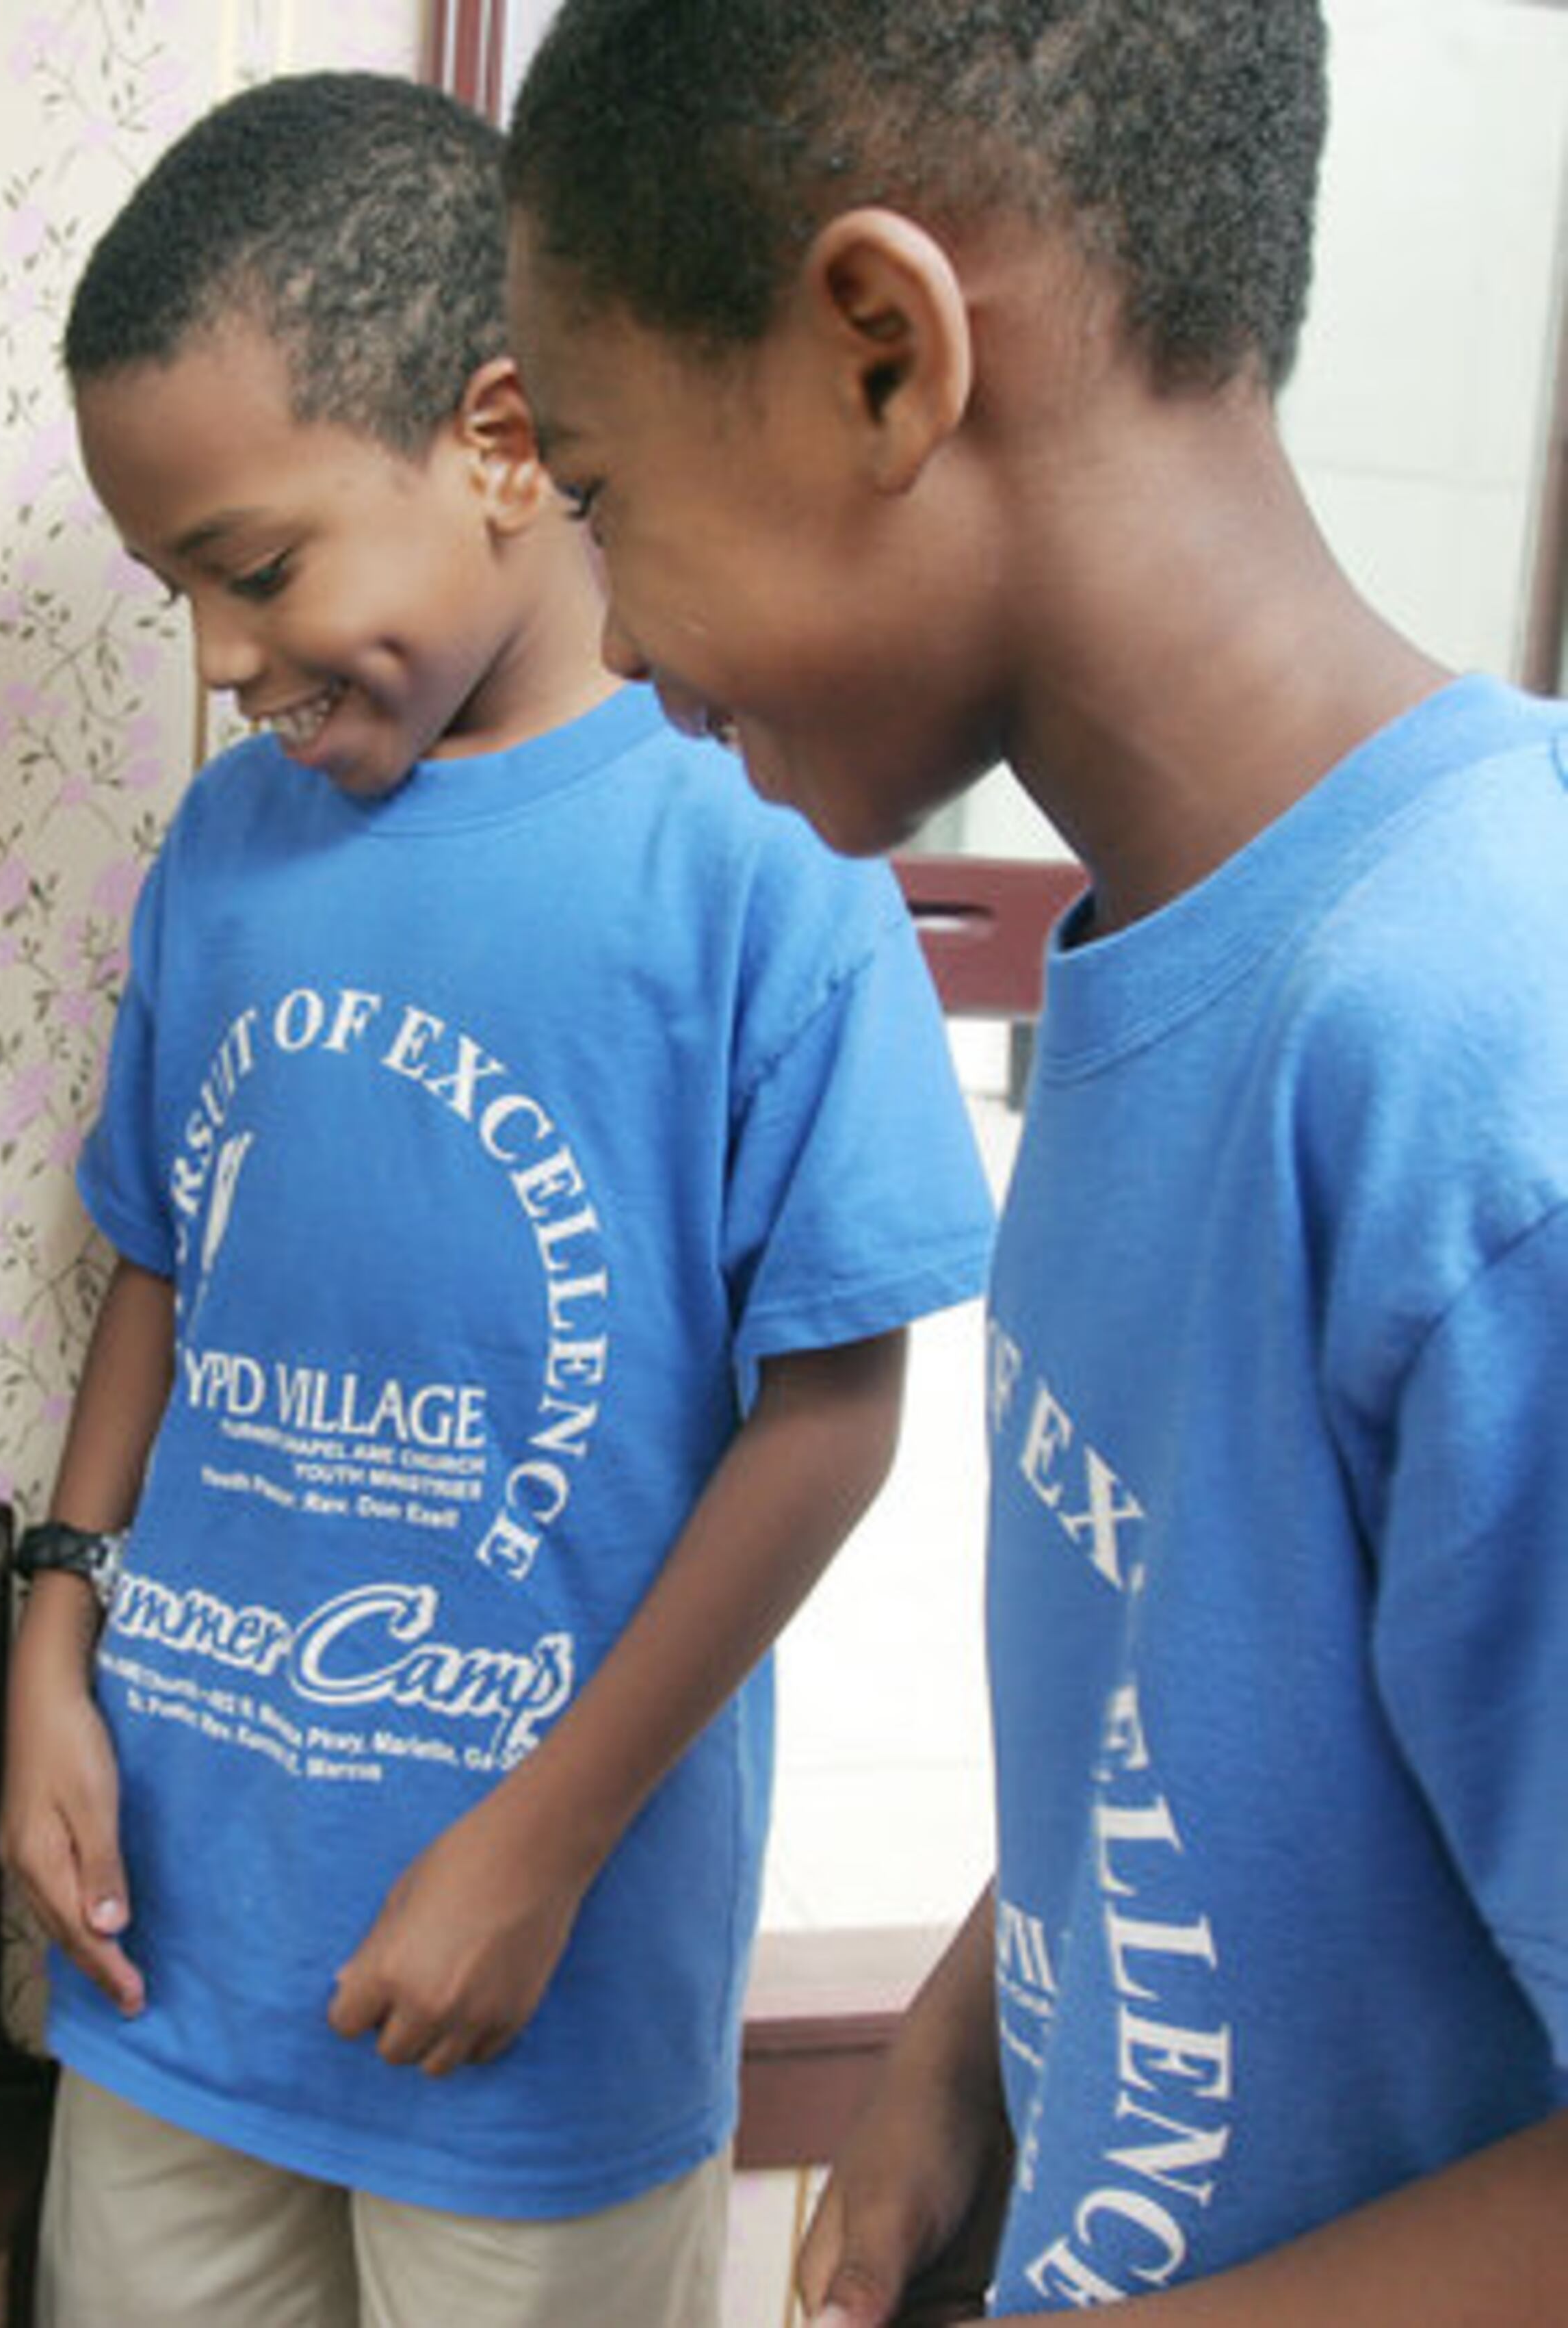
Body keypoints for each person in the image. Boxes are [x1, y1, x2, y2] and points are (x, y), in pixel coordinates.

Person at [501, 3, 1568, 2320]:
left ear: (885, 353)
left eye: (601, 496)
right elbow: (1228, 1711)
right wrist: (966, 2038)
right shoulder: (1169, 953)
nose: (618, 631)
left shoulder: (1494, 1069)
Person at [0, 68, 997, 2328]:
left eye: (255, 568)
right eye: (179, 590)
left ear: (506, 441)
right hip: (177, 1941)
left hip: (538, 1990)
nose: (221, 659)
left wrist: (541, 1844)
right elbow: (163, 1252)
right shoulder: (225, 858)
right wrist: (56, 1633)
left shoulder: (761, 842)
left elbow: (835, 1415)